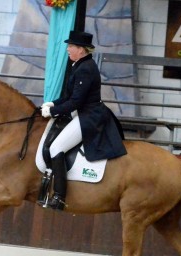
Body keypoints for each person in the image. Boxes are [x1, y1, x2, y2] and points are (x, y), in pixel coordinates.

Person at [38, 30, 127, 210]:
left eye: (71, 46)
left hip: (89, 116)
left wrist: (53, 111)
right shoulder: (78, 65)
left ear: (81, 49)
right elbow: (69, 96)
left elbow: (76, 101)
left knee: (56, 148)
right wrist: (52, 103)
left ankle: (59, 196)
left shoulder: (86, 68)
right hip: (82, 112)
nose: (68, 49)